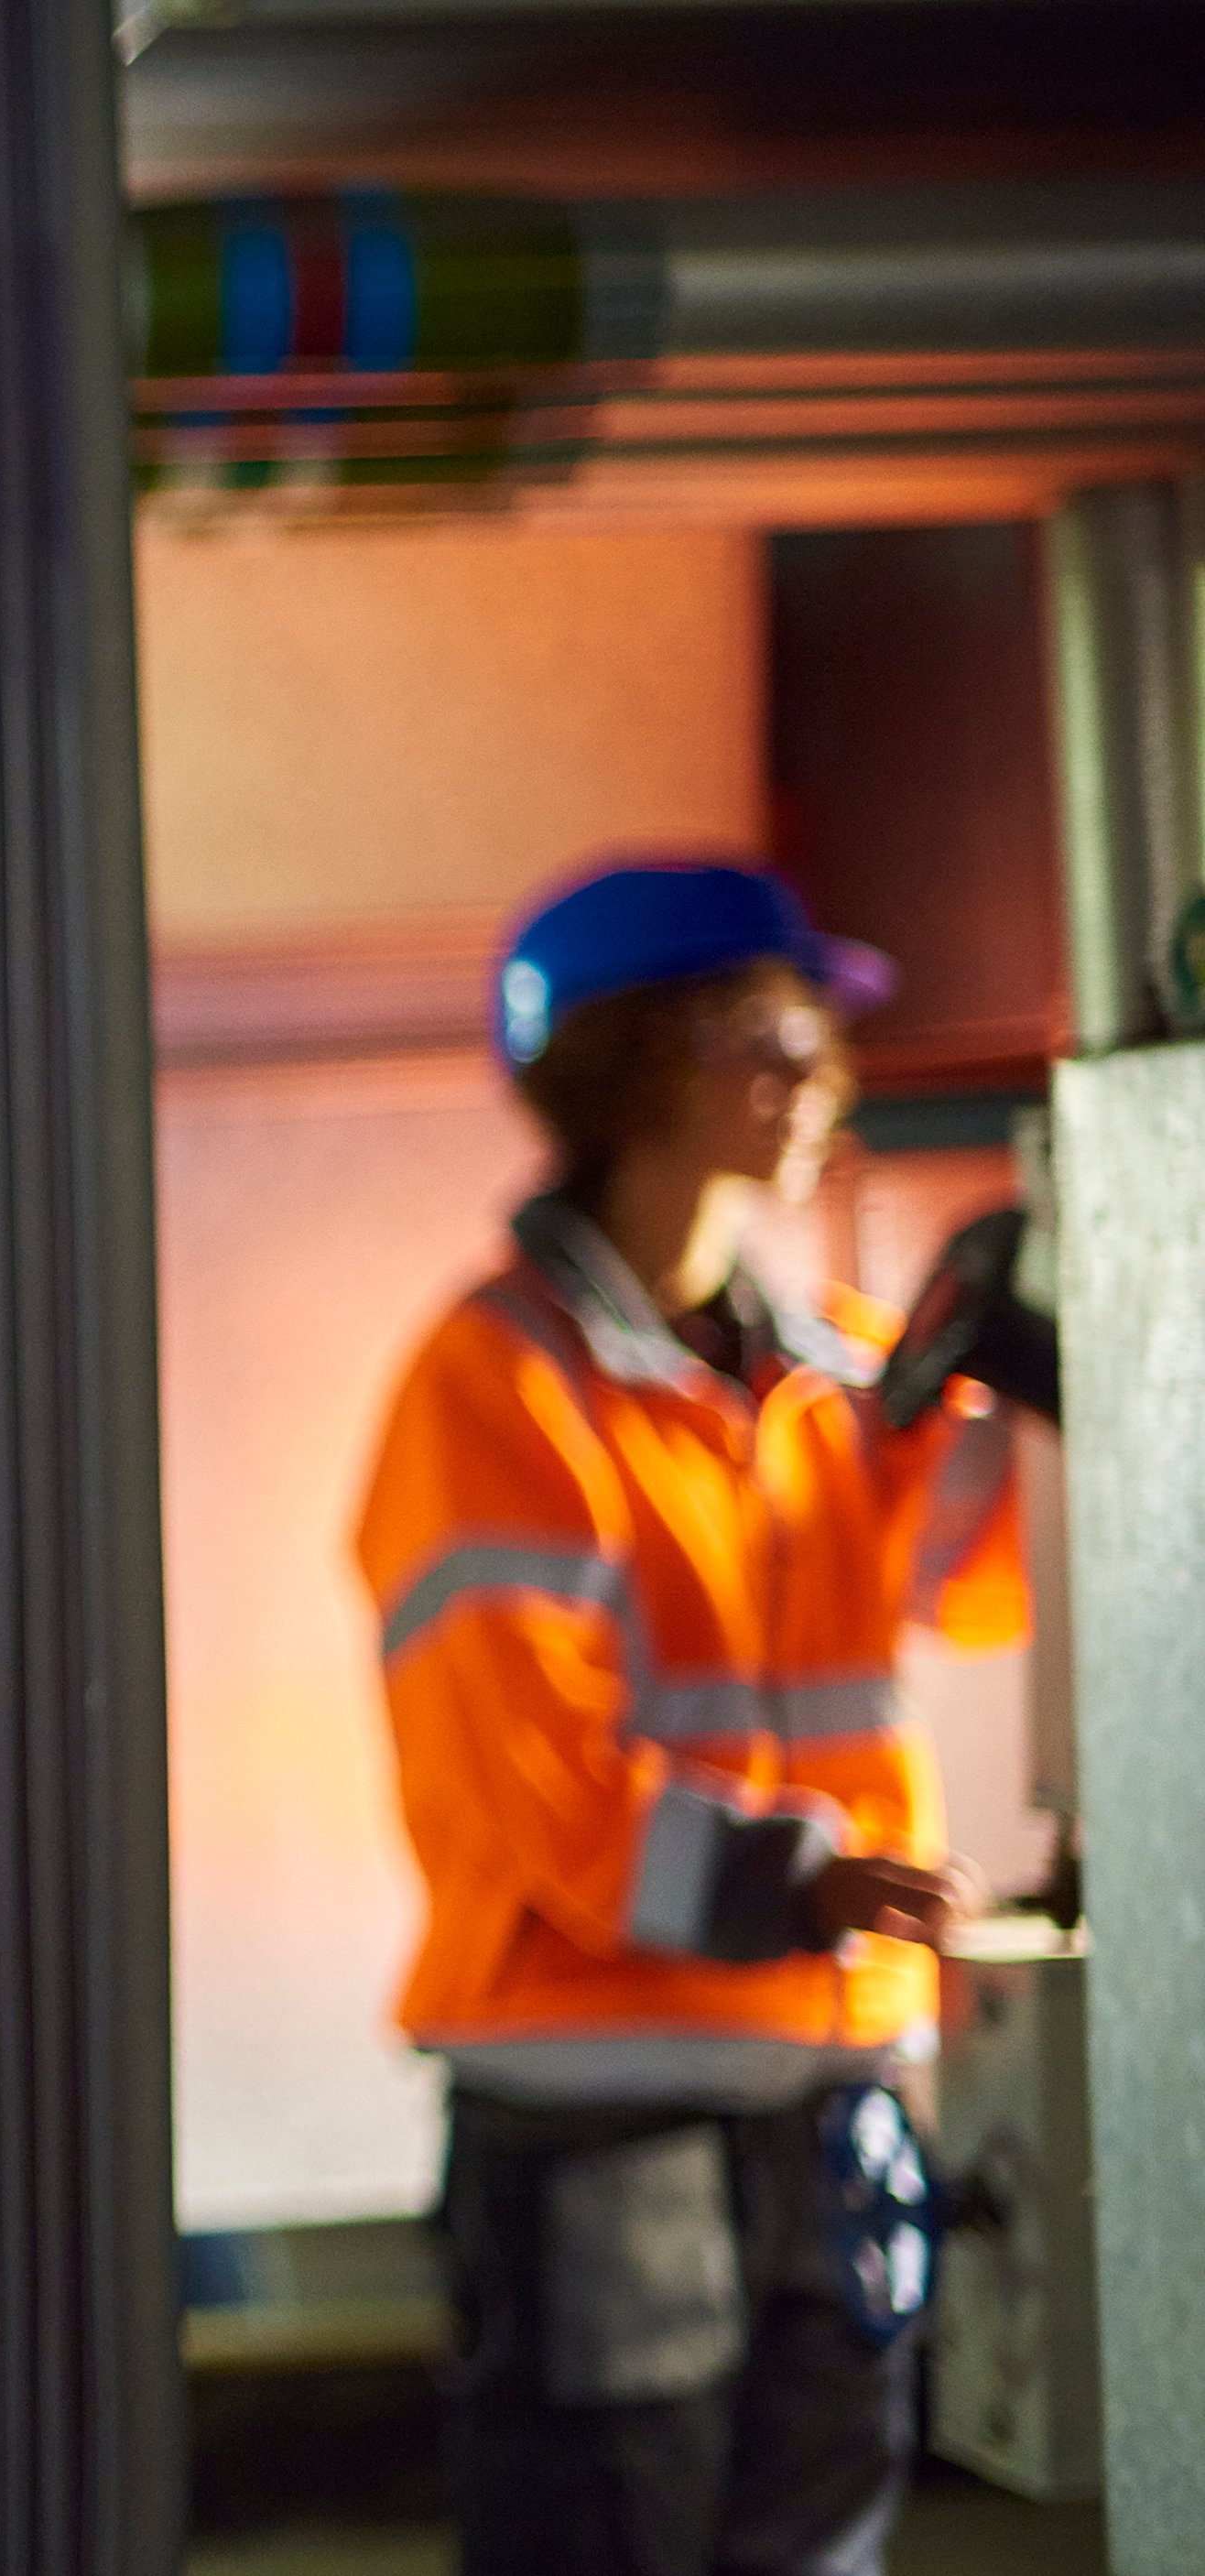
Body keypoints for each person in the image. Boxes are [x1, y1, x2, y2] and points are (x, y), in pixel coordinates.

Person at [356, 855, 1038, 2576]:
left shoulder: (837, 1379)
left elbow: (995, 1580)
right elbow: (532, 1778)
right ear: (631, 1060)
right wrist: (800, 1885)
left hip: (829, 2084)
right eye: (774, 1031)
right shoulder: (496, 1387)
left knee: (816, 2550)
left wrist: (1047, 1372)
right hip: (605, 2110)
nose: (823, 1075)